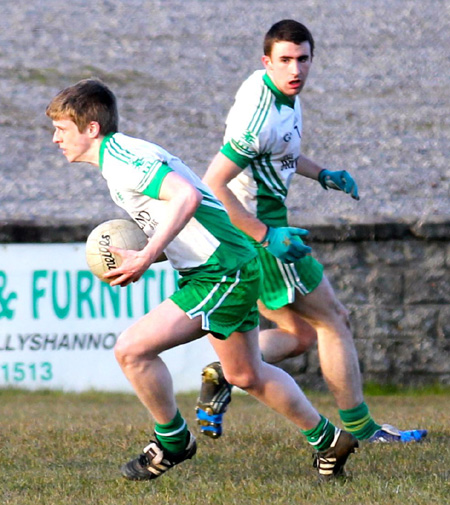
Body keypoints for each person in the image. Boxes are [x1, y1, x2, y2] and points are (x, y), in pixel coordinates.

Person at [46, 78, 359, 481]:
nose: (55, 139)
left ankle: (173, 441)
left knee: (131, 350)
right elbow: (190, 214)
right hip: (222, 265)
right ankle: (329, 440)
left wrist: (143, 255)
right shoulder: (120, 160)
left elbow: (187, 197)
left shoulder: (123, 159)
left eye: (62, 128)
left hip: (221, 269)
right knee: (247, 375)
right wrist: (150, 256)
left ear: (91, 128)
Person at [196, 19, 427, 444]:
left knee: (299, 335)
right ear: (266, 61)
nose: (295, 70)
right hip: (264, 235)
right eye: (284, 60)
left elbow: (278, 155)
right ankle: (363, 429)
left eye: (303, 60)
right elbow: (213, 184)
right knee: (333, 320)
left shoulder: (280, 93)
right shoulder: (260, 116)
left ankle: (225, 371)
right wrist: (266, 236)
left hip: (255, 234)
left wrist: (321, 174)